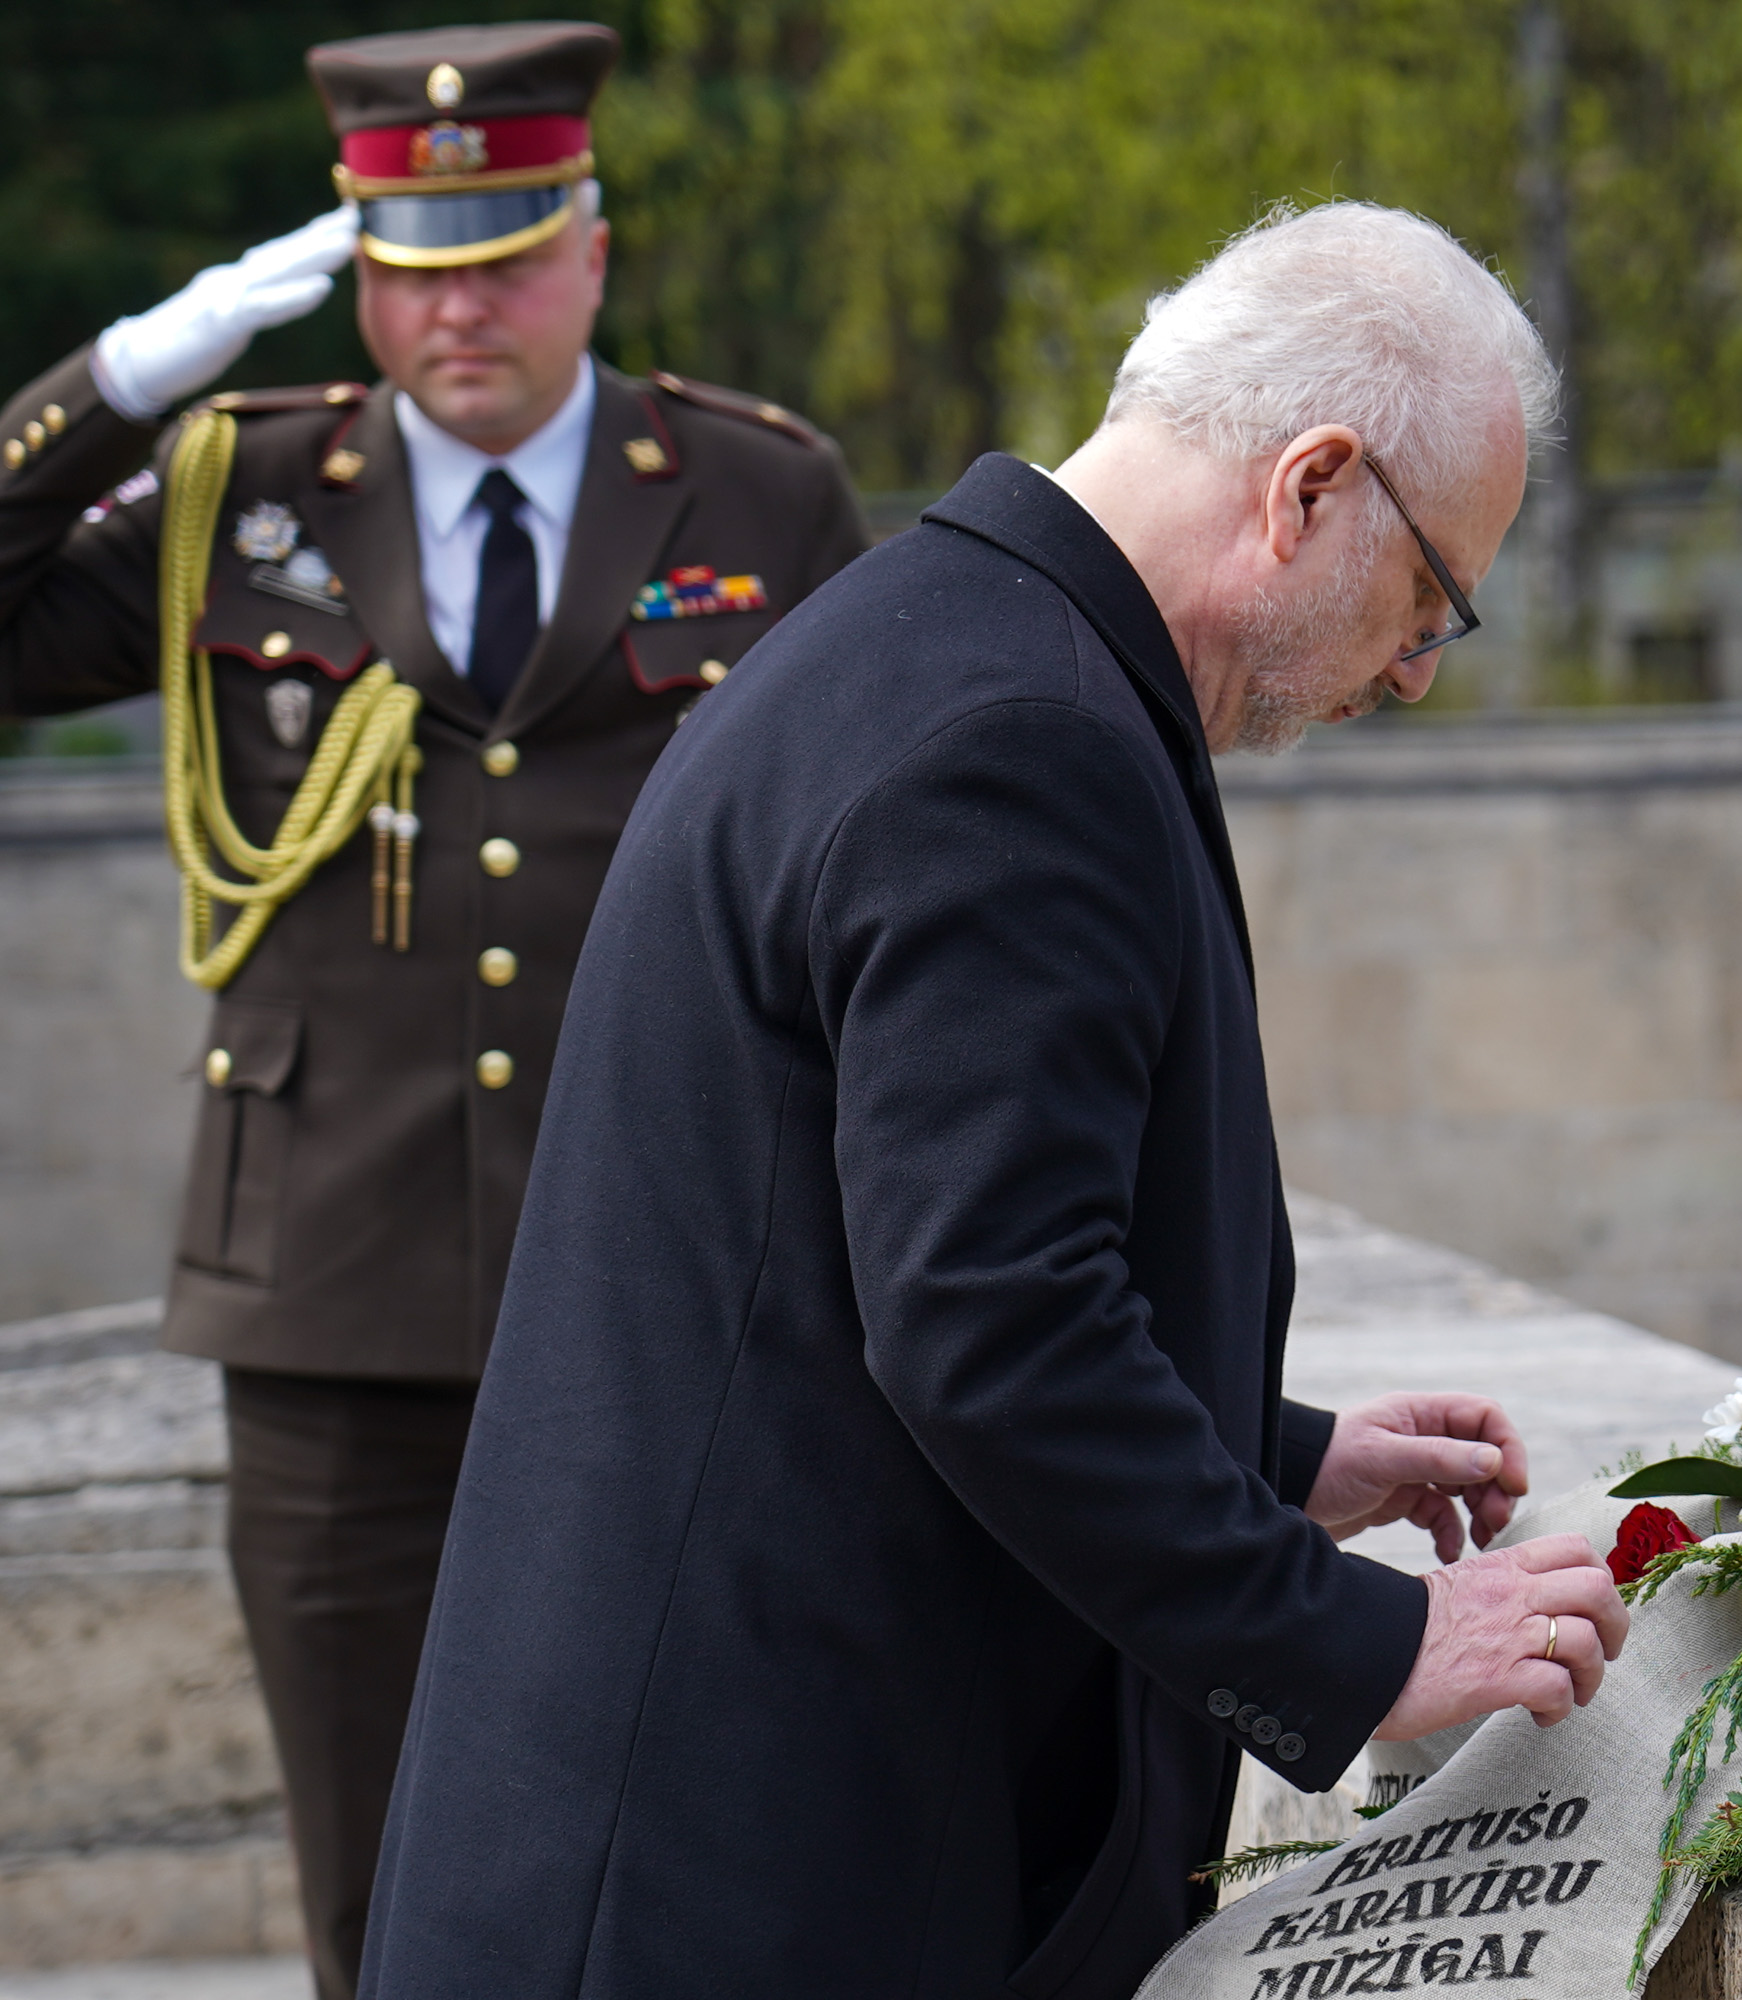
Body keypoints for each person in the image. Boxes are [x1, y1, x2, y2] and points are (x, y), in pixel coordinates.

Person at [359, 201, 1627, 2000]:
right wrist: (1356, 1644)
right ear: (1313, 485)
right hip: (732, 1889)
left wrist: (1276, 1464)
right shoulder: (1016, 739)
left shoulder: (942, 641)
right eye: (1431, 597)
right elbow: (986, 1328)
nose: (1414, 670)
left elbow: (836, 1276)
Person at [0, 23, 867, 1997]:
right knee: (374, 1880)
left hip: (668, 1270)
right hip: (330, 1297)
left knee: (689, 1836)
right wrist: (123, 385)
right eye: (411, 262)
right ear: (358, 274)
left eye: (503, 253)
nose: (457, 305)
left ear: (591, 251)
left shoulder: (753, 490)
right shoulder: (244, 486)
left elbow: (868, 840)